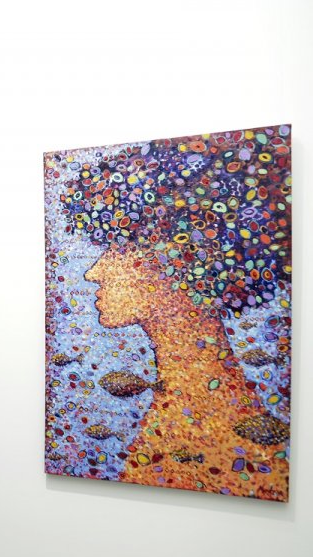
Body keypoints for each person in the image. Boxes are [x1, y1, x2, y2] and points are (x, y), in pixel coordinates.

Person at [50, 125, 292, 500]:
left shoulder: (216, 421)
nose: (93, 272)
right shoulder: (187, 405)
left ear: (181, 258)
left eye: (118, 248)